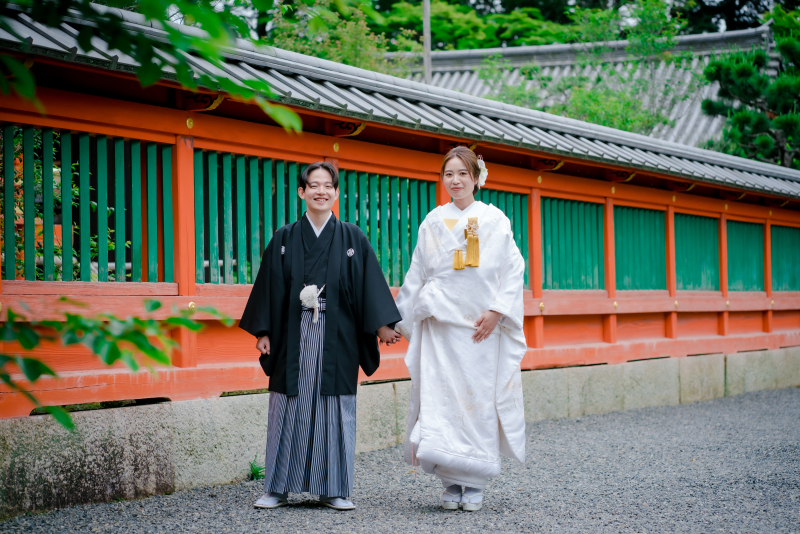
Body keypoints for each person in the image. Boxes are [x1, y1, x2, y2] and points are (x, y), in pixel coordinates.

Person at [239, 161, 402, 511]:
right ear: (302, 192)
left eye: (328, 185)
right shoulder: (284, 238)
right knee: (287, 405)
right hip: (292, 332)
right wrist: (264, 331)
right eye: (313, 185)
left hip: (337, 334)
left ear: (336, 193)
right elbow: (269, 288)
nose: (321, 191)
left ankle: (335, 489)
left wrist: (382, 325)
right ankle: (276, 487)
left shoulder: (352, 237)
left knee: (335, 407)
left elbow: (368, 286)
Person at [394, 147, 526, 512]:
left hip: (479, 328)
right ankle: (451, 481)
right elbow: (417, 272)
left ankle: (476, 480)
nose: (455, 180)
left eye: (462, 174)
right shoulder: (433, 220)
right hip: (440, 327)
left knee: (476, 401)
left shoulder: (495, 219)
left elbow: (513, 270)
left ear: (476, 177)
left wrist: (498, 311)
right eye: (448, 174)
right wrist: (396, 318)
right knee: (441, 403)